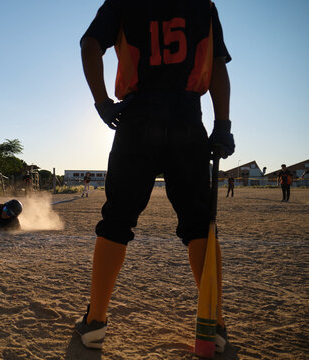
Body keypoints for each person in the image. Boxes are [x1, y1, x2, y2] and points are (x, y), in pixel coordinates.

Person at [76, 0, 235, 352]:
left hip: (137, 116)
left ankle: (96, 321)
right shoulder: (203, 5)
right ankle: (215, 322)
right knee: (199, 223)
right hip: (186, 116)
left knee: (118, 218)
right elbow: (219, 68)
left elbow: (89, 45)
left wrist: (102, 102)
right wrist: (222, 124)